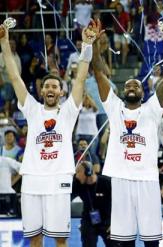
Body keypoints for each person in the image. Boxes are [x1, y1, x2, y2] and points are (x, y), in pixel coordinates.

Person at [0, 19, 101, 246]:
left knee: (60, 240)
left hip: (58, 180)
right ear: (41, 90)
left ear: (61, 91)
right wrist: (5, 44)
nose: (50, 89)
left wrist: (86, 46)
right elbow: (15, 77)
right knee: (34, 238)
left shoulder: (68, 112)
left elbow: (81, 79)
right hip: (32, 180)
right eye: (46, 86)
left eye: (54, 86)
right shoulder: (32, 108)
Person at [91, 20, 163, 247]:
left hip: (148, 179)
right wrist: (92, 46)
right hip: (120, 179)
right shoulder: (114, 107)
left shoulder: (151, 109)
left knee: (151, 241)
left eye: (136, 86)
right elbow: (99, 74)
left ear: (143, 91)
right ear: (122, 91)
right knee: (125, 240)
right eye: (128, 86)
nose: (131, 87)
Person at [72, 159, 112, 247]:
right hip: (88, 220)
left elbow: (120, 203)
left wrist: (115, 223)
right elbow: (67, 198)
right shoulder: (77, 183)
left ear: (88, 172)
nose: (76, 175)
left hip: (108, 221)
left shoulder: (107, 182)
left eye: (78, 172)